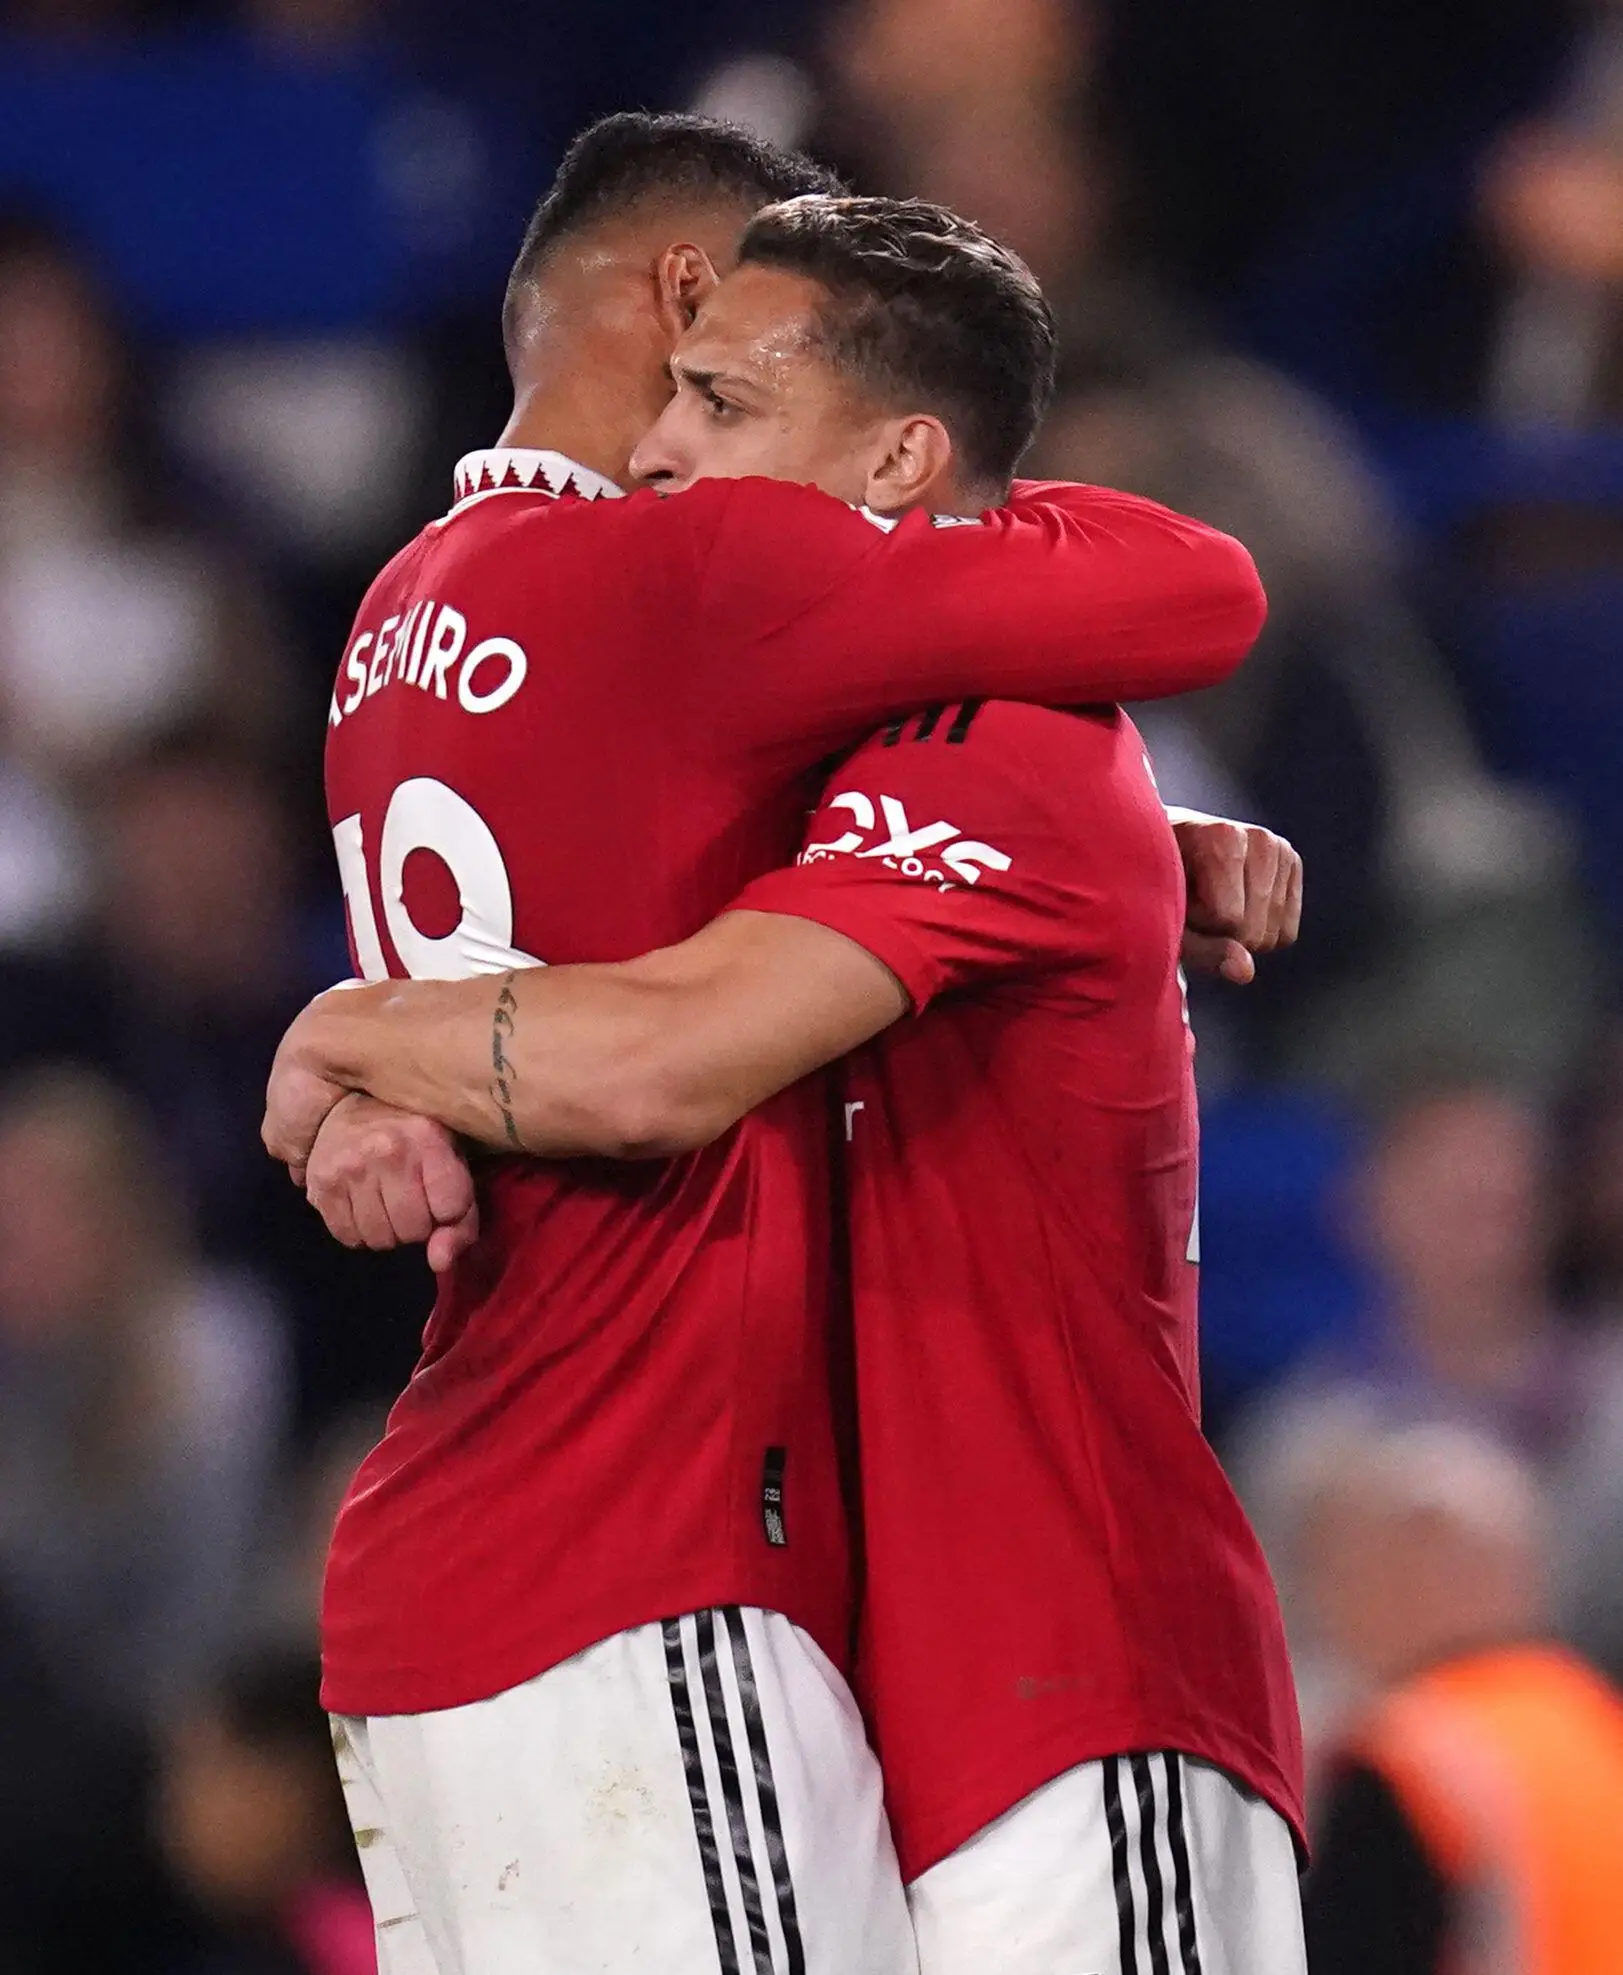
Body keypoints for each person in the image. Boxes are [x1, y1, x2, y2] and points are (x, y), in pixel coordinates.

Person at [265, 189, 1305, 1971]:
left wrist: (338, 1038)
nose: (660, 454)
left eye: (724, 407)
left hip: (1075, 1687)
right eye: (672, 393)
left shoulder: (1011, 755)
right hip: (896, 1693)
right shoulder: (834, 753)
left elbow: (661, 1053)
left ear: (899, 459)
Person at [1298, 1421, 1623, 1975]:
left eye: (1345, 1564)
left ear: (1420, 1568)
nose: (1328, 1601)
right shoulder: (1597, 1724)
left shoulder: (1406, 1759)